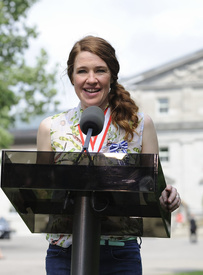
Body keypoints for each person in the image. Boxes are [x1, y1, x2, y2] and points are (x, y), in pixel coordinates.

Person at [37, 36, 181, 275]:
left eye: (100, 70)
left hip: (120, 254)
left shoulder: (140, 125)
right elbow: (39, 195)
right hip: (64, 254)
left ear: (112, 76)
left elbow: (151, 190)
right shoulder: (51, 127)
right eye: (82, 71)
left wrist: (166, 197)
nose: (91, 79)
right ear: (72, 76)